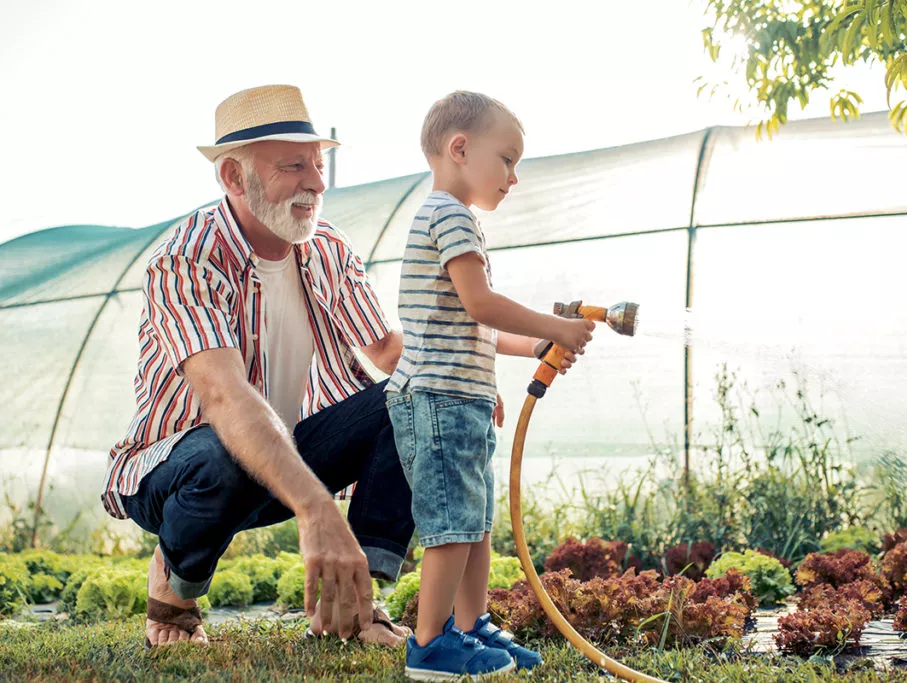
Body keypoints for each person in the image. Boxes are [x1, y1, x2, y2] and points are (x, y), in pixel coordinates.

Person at [101, 84, 414, 649]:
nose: (316, 183)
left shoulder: (328, 249)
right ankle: (174, 597)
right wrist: (316, 507)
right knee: (222, 453)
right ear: (232, 177)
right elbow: (224, 398)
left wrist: (462, 368)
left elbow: (389, 355)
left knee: (416, 395)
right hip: (178, 469)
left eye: (319, 165)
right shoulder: (187, 257)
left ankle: (353, 604)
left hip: (284, 458)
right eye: (293, 166)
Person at [385, 90, 595, 680]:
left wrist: (535, 346)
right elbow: (480, 302)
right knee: (453, 525)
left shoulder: (455, 217)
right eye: (507, 160)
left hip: (458, 398)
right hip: (436, 399)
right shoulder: (448, 215)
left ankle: (470, 629)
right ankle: (429, 646)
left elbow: (469, 322)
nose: (514, 177)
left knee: (473, 522)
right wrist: (554, 325)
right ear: (459, 148)